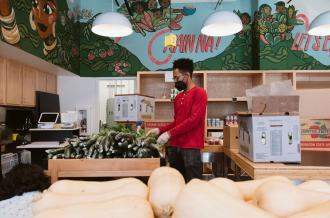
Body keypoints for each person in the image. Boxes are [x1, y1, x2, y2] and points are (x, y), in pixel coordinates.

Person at [147, 58, 207, 182]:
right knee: (176, 183)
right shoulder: (179, 97)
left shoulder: (200, 93)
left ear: (187, 75)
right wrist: (159, 130)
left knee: (193, 185)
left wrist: (169, 134)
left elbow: (193, 120)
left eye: (176, 78)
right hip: (175, 147)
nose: (175, 81)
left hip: (190, 148)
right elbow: (177, 122)